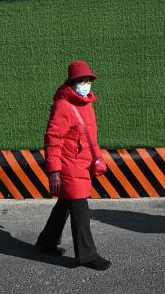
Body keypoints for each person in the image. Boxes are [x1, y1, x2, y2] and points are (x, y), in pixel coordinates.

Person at [35, 61, 111, 271]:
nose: (86, 84)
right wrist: (54, 169)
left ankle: (46, 242)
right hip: (70, 165)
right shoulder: (63, 106)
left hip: (83, 163)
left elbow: (89, 136)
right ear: (72, 82)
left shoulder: (86, 103)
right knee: (80, 208)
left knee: (65, 204)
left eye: (88, 80)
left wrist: (97, 157)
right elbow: (53, 139)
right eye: (82, 80)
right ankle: (87, 255)